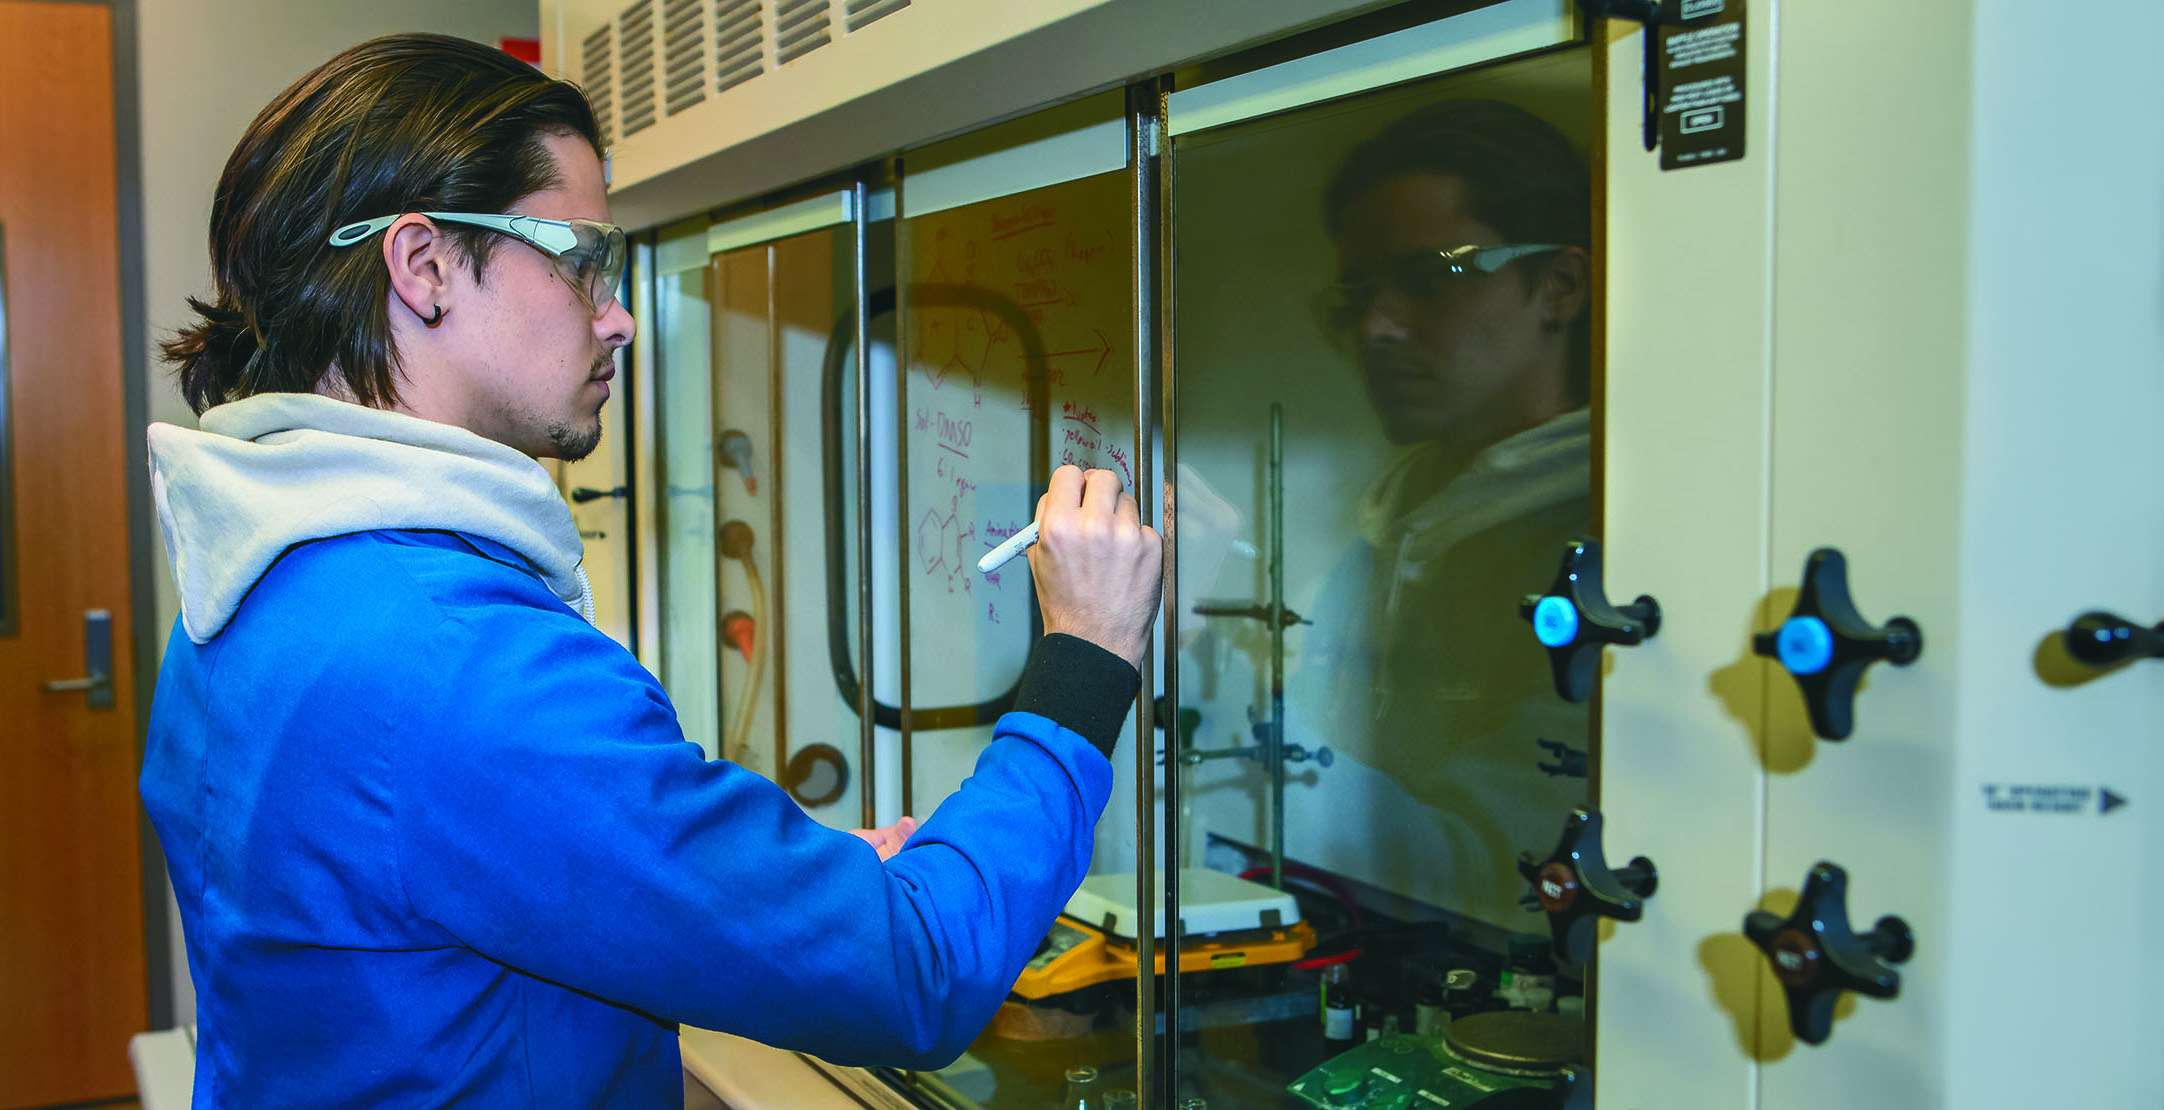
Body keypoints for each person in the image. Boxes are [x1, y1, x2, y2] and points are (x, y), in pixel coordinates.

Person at [141, 33, 1162, 1107]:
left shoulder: (261, 578)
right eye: (583, 261)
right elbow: (915, 974)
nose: (617, 313)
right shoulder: (464, 662)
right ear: (426, 266)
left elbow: (443, 880)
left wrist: (737, 886)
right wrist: (1085, 658)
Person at [1296, 98, 1593, 924]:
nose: (1378, 328)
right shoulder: (1389, 526)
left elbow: (1490, 876)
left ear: (1560, 286)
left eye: (1434, 278)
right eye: (1357, 297)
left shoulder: (1609, 543)